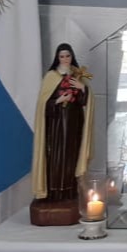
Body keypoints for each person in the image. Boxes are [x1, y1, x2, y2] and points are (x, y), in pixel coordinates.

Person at [31, 43, 95, 201]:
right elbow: (43, 104)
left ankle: (70, 191)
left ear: (72, 56)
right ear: (57, 58)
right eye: (62, 56)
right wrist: (59, 100)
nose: (65, 59)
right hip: (56, 125)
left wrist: (82, 88)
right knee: (56, 156)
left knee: (71, 155)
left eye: (68, 56)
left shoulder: (77, 74)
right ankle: (54, 192)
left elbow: (85, 101)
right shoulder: (51, 76)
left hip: (74, 122)